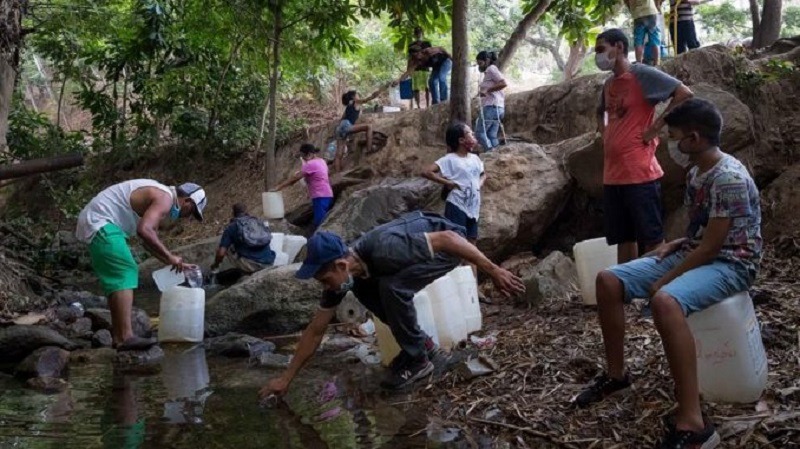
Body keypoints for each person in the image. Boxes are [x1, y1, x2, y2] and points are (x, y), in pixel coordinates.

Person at [575, 98, 762, 449]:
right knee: (608, 280)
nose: (669, 144)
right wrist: (676, 244)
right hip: (700, 251)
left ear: (695, 138)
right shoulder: (696, 172)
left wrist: (665, 279)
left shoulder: (729, 178)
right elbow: (701, 236)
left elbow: (714, 247)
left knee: (665, 300)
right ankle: (616, 374)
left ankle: (693, 423)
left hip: (733, 263)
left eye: (674, 137)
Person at [258, 212, 525, 395]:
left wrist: (493, 270)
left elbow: (449, 239)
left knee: (392, 288)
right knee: (368, 290)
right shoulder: (346, 278)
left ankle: (419, 361)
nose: (324, 286)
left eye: (325, 279)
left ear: (341, 265)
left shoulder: (384, 248)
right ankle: (425, 348)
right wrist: (285, 379)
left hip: (449, 246)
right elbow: (315, 330)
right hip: (421, 253)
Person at [594, 28, 693, 264]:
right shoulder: (609, 84)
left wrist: (655, 127)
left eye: (601, 49)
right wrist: (605, 132)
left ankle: (656, 292)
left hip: (639, 173)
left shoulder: (641, 74)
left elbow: (683, 93)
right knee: (624, 238)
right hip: (613, 175)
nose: (598, 56)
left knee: (652, 237)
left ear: (619, 47)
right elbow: (602, 113)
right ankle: (625, 293)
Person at [75, 180, 206, 350]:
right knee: (126, 269)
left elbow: (147, 241)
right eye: (192, 211)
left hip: (98, 221)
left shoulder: (162, 199)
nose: (188, 216)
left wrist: (172, 261)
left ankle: (118, 337)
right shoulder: (165, 198)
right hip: (101, 221)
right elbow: (144, 230)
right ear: (187, 200)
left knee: (119, 277)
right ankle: (126, 337)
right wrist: (170, 256)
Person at [422, 122, 484, 245]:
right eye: (469, 133)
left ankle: (471, 265)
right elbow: (426, 172)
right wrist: (447, 182)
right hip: (457, 204)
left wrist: (478, 184)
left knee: (472, 242)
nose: (473, 135)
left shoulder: (475, 158)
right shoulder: (449, 159)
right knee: (457, 242)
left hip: (473, 207)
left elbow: (483, 174)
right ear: (461, 140)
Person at [272, 143, 334, 228]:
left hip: (320, 196)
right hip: (327, 194)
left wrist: (278, 187)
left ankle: (320, 239)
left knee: (320, 223)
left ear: (309, 154)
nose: (303, 158)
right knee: (322, 220)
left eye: (303, 156)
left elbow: (294, 179)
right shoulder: (322, 161)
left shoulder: (310, 164)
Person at [210, 203, 275, 274]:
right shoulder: (258, 221)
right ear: (246, 211)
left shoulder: (231, 227)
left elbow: (221, 253)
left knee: (224, 246)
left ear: (233, 213)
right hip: (269, 261)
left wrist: (215, 265)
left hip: (252, 266)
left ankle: (217, 270)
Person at [334, 89, 382, 173]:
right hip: (347, 125)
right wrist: (374, 95)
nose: (358, 96)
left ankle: (338, 172)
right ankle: (369, 149)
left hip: (339, 127)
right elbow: (366, 100)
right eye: (357, 95)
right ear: (353, 97)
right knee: (369, 126)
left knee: (339, 153)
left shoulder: (349, 105)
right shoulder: (356, 102)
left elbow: (342, 118)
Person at [475, 51, 508, 151]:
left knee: (479, 132)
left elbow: (503, 83)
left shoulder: (491, 69)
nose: (479, 66)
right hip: (498, 107)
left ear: (487, 60)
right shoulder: (488, 72)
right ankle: (497, 155)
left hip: (491, 107)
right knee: (491, 135)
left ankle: (490, 151)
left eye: (480, 63)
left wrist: (487, 90)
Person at [626, 0, 662, 64]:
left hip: (637, 14)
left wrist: (631, 9)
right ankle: (657, 64)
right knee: (655, 39)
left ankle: (639, 64)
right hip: (650, 11)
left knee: (638, 42)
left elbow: (626, 1)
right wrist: (658, 6)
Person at [408, 27, 432, 109]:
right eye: (417, 33)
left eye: (420, 33)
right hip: (415, 69)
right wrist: (408, 70)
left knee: (427, 87)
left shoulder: (427, 44)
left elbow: (430, 55)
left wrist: (431, 67)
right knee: (416, 88)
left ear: (422, 34)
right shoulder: (411, 45)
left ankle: (428, 105)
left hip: (425, 68)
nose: (418, 34)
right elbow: (410, 58)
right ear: (414, 34)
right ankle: (418, 106)